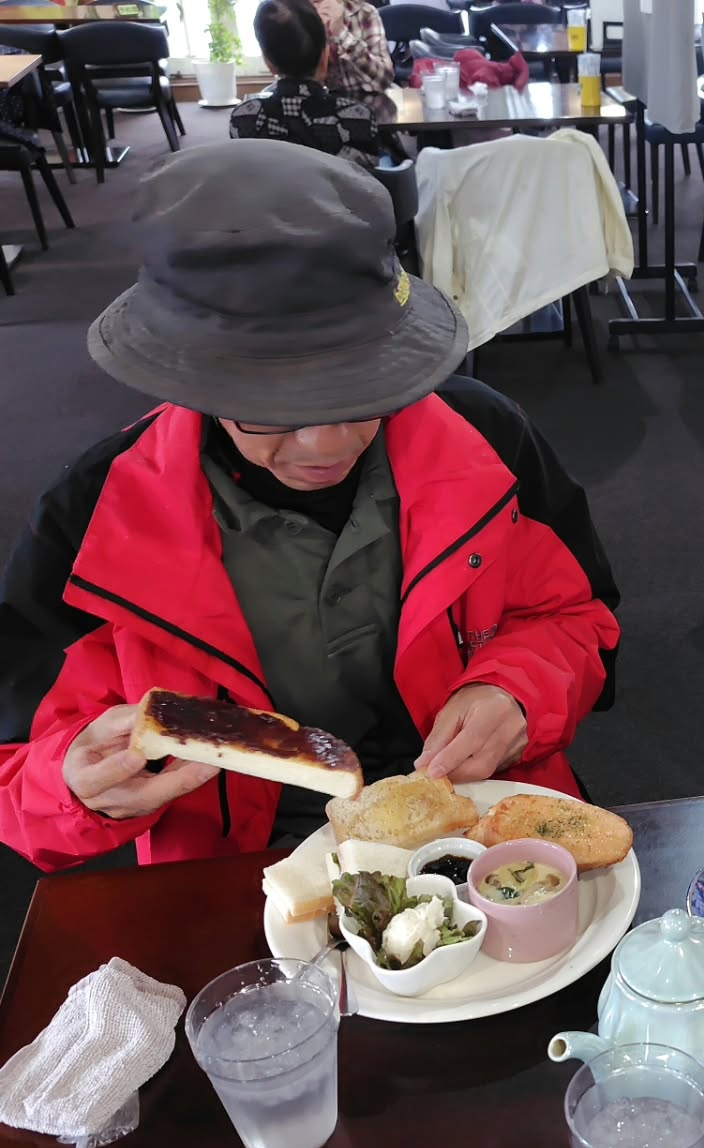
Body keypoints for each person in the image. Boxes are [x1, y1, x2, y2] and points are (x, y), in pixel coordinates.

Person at [0, 140, 620, 872]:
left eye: (367, 390)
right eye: (270, 408)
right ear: (190, 379)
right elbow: (15, 772)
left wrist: (514, 690)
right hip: (240, 869)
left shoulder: (487, 440)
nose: (327, 442)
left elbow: (583, 621)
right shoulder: (94, 518)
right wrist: (75, 786)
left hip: (477, 828)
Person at [230, 0, 381, 169]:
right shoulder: (359, 120)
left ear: (268, 63)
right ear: (325, 59)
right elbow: (368, 188)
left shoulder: (244, 119)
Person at [313, 0, 393, 98]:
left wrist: (341, 33)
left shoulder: (365, 13)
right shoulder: (294, 16)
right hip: (315, 105)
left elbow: (384, 80)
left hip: (363, 101)